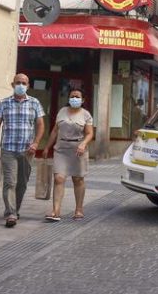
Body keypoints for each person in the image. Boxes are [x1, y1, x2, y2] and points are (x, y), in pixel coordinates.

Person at [0, 73, 45, 228]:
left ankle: (15, 209)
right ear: (12, 84)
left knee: (22, 183)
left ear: (28, 85)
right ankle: (11, 213)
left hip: (27, 150)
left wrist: (36, 143)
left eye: (24, 83)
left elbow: (40, 125)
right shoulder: (4, 103)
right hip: (8, 149)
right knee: (10, 182)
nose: (21, 85)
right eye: (18, 82)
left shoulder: (34, 103)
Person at [42, 88, 94, 222]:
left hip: (78, 150)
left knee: (78, 179)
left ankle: (79, 209)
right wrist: (47, 147)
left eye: (77, 97)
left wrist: (83, 144)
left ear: (82, 100)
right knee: (59, 178)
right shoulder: (62, 112)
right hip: (61, 149)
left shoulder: (86, 114)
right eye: (72, 96)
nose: (74, 99)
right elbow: (54, 131)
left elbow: (89, 133)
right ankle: (56, 211)